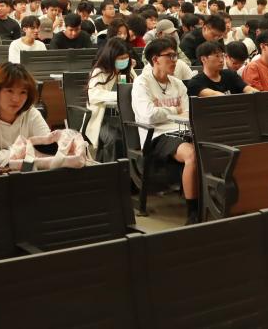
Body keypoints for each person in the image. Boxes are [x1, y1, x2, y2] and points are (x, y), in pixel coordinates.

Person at [132, 38, 198, 224]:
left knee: (209, 148)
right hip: (157, 135)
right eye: (170, 56)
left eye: (175, 55)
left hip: (183, 130)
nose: (175, 60)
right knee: (192, 155)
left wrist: (166, 112)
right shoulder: (142, 83)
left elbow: (188, 113)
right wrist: (174, 110)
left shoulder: (178, 84)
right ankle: (193, 212)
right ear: (155, 59)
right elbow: (149, 116)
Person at [84, 38, 134, 160]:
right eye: (120, 58)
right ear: (111, 57)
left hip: (124, 117)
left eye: (126, 58)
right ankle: (112, 168)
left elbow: (137, 89)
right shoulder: (99, 72)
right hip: (103, 119)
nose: (124, 61)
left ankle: (131, 168)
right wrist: (120, 95)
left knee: (136, 136)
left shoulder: (128, 71)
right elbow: (94, 95)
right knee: (115, 138)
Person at [186, 41, 257, 97]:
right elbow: (217, 96)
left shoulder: (230, 74)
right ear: (203, 59)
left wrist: (258, 94)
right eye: (217, 56)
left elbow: (247, 88)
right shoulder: (195, 83)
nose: (221, 60)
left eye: (222, 56)